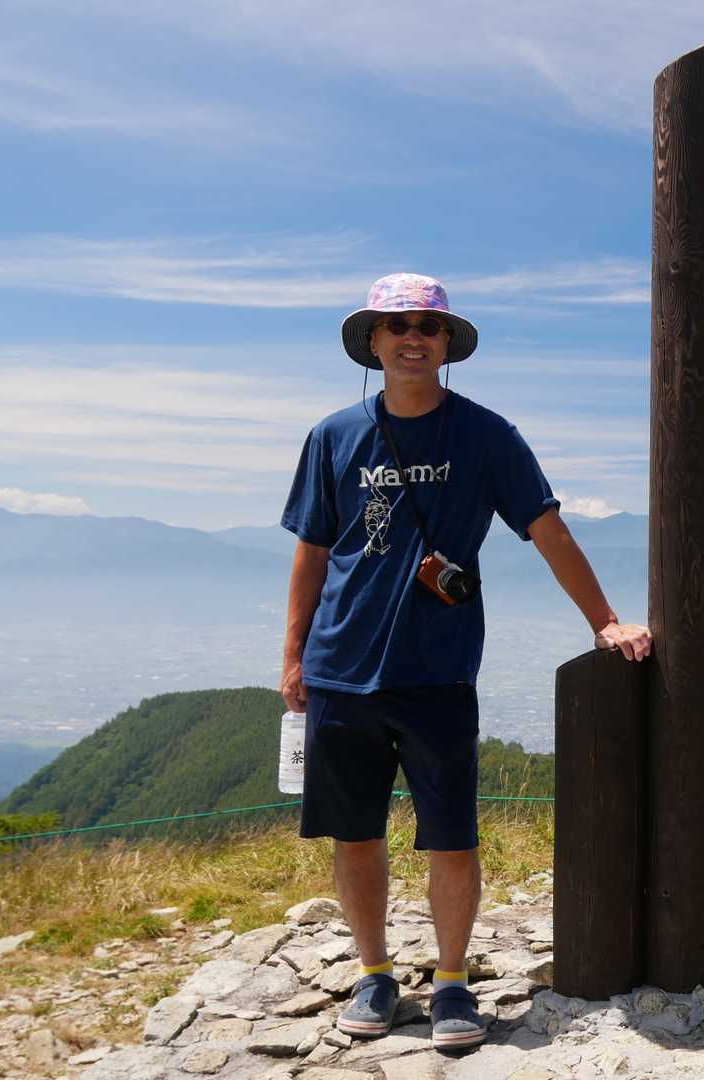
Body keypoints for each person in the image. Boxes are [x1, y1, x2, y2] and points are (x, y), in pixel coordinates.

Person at [279, 272, 650, 1051]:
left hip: (438, 669)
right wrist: (293, 656)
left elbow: (547, 530)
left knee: (451, 836)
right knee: (355, 834)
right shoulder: (332, 436)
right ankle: (374, 973)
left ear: (447, 343)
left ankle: (451, 980)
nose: (413, 338)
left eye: (429, 326)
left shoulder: (486, 435)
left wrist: (605, 621)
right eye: (397, 325)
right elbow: (312, 551)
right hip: (341, 665)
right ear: (373, 342)